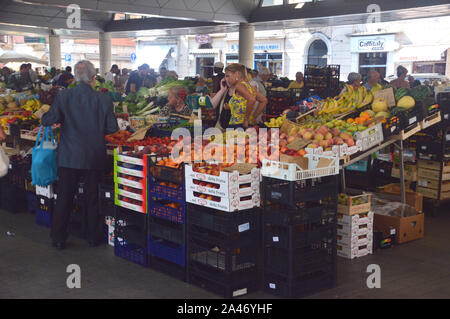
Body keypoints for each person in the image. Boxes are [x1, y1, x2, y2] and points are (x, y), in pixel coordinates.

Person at [41, 60, 119, 250]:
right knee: (92, 197)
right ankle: (93, 237)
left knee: (65, 197)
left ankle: (59, 238)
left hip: (69, 156)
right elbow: (112, 128)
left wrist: (53, 117)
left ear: (75, 78)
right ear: (94, 78)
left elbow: (48, 120)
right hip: (94, 156)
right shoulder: (104, 99)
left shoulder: (64, 96)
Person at [223, 63, 267, 128]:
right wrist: (253, 117)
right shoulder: (249, 86)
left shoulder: (239, 86)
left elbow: (251, 99)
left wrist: (246, 118)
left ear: (237, 74)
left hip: (237, 125)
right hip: (246, 124)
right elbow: (264, 100)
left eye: (227, 76)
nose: (225, 79)